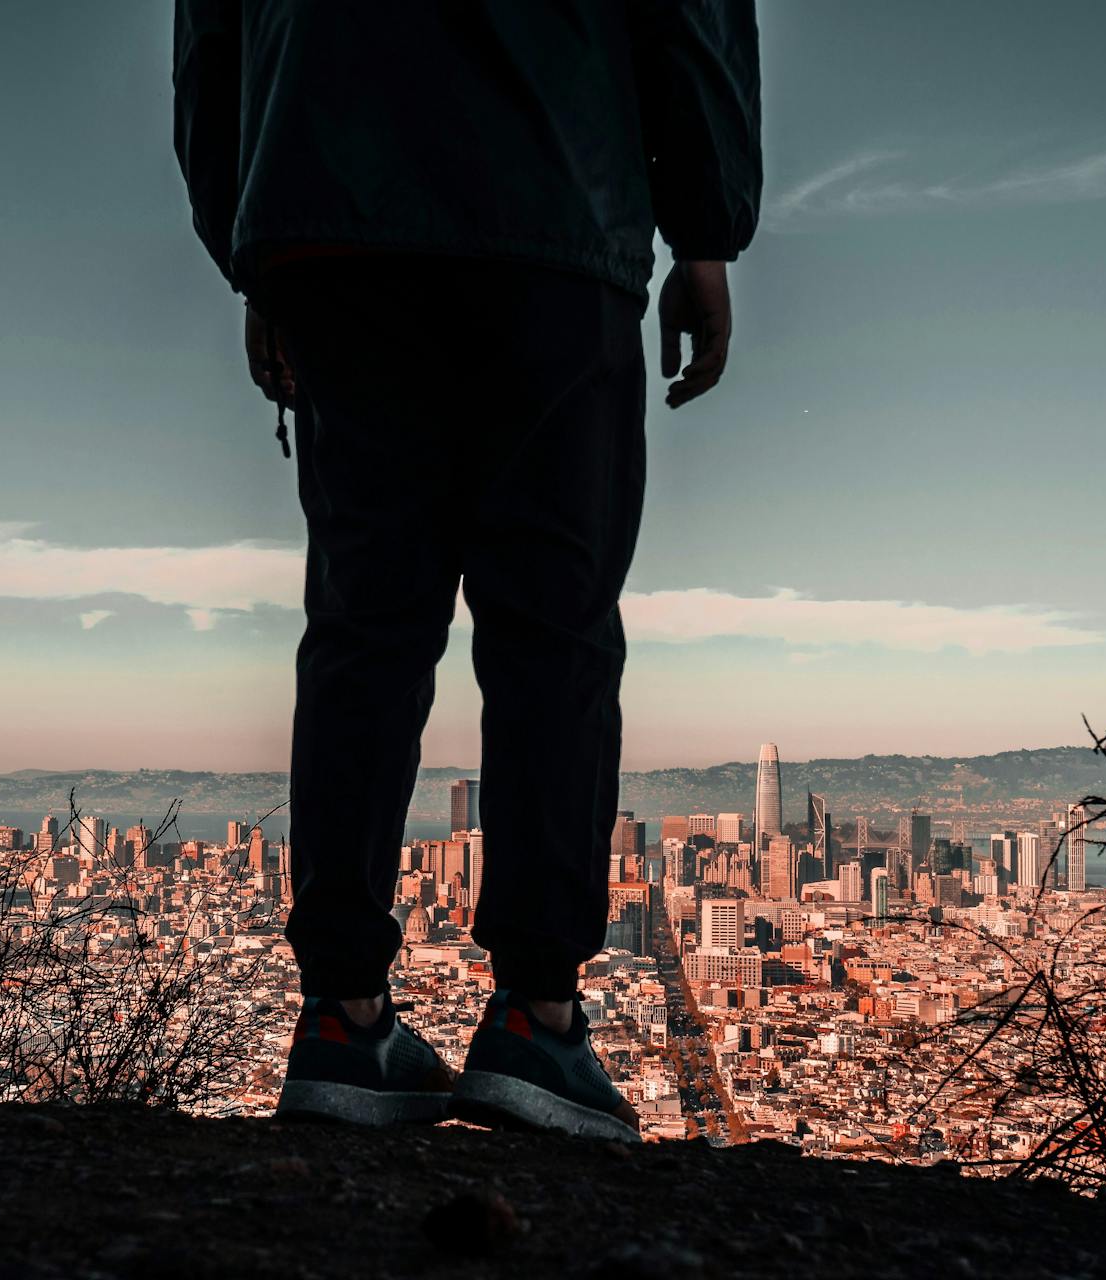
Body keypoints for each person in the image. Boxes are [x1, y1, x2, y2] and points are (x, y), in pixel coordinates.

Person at [174, 0, 761, 1142]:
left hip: (328, 206)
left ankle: (343, 1016)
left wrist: (255, 238)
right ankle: (537, 1020)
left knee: (363, 617)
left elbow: (210, 35)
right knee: (555, 621)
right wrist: (706, 230)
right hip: (557, 195)